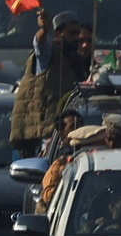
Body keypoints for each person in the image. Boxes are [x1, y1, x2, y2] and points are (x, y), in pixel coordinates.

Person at [10, 13, 95, 155]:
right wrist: (44, 29)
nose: (76, 38)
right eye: (72, 33)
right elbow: (39, 43)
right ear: (58, 33)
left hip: (66, 131)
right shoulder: (48, 54)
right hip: (43, 133)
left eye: (78, 34)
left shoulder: (78, 59)